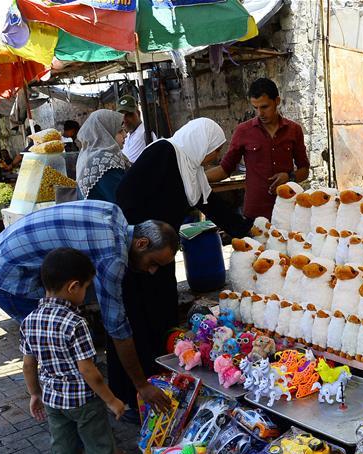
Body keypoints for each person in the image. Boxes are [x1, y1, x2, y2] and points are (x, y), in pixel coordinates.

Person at [0, 200, 175, 412]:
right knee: (65, 356)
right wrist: (142, 385)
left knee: (73, 346)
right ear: (141, 243)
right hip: (7, 276)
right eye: (153, 263)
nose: (152, 271)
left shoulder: (114, 212)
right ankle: (77, 423)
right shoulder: (112, 257)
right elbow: (117, 328)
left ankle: (74, 416)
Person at [111, 118, 230, 413]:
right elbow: (126, 196)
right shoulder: (163, 153)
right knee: (134, 321)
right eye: (214, 149)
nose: (215, 156)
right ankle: (129, 395)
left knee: (162, 317)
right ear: (200, 141)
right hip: (138, 255)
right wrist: (147, 235)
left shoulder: (192, 171)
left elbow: (211, 205)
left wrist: (248, 230)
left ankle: (165, 381)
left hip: (160, 257)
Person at [21, 247, 140, 454]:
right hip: (83, 402)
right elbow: (89, 371)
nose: (86, 293)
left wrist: (34, 394)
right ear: (73, 286)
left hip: (52, 401)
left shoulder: (30, 320)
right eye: (85, 288)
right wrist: (112, 401)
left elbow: (28, 365)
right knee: (100, 450)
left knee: (62, 451)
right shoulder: (75, 323)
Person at [207, 78, 310, 220]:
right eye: (255, 108)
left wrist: (289, 177)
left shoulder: (294, 130)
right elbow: (225, 169)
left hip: (289, 210)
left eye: (264, 107)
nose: (260, 113)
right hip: (256, 213)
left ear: (277, 101)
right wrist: (197, 178)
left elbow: (304, 171)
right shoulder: (243, 131)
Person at [76, 109, 130, 202]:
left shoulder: (88, 154)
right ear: (105, 132)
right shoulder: (103, 161)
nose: (125, 135)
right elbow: (123, 200)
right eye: (120, 131)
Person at [117, 95, 156, 163]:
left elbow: (127, 164)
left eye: (129, 115)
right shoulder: (128, 135)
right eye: (121, 116)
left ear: (138, 113)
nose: (124, 119)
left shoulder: (143, 134)